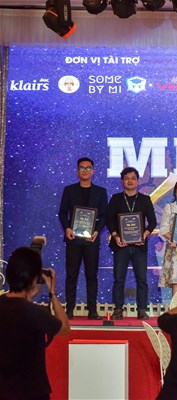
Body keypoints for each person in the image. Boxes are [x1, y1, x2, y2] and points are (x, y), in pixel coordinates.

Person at [0, 247, 70, 400]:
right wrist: (53, 293)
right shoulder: (34, 312)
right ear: (33, 279)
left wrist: (29, 297)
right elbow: (64, 328)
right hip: (32, 392)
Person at [58, 157, 108, 320]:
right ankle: (69, 309)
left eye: (88, 168)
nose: (85, 170)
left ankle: (92, 311)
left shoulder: (101, 192)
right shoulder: (69, 190)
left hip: (91, 240)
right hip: (73, 239)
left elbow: (104, 215)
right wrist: (67, 228)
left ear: (93, 171)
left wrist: (97, 231)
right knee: (71, 275)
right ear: (77, 171)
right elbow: (62, 212)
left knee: (91, 275)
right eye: (82, 168)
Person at [106, 167, 157, 320]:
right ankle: (118, 309)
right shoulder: (116, 198)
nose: (130, 181)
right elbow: (109, 219)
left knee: (142, 279)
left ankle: (142, 309)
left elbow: (152, 222)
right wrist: (115, 236)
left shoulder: (145, 199)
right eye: (126, 178)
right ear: (122, 181)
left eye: (133, 178)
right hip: (120, 245)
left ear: (138, 181)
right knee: (119, 278)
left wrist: (144, 235)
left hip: (139, 246)